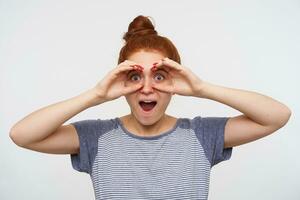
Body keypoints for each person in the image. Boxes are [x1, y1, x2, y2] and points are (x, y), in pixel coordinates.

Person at [9, 15, 291, 200]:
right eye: (134, 77)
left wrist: (201, 88)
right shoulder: (96, 138)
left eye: (158, 76)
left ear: (175, 79)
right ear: (120, 80)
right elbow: (22, 135)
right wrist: (96, 94)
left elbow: (277, 116)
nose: (146, 88)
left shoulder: (202, 134)